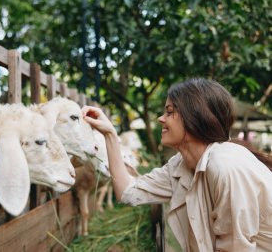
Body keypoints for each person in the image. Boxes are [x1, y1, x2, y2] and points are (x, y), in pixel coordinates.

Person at [81, 78, 272, 252]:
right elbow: (127, 192)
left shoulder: (225, 166)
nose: (161, 118)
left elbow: (235, 249)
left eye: (170, 112)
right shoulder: (181, 165)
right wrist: (110, 135)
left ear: (195, 117)